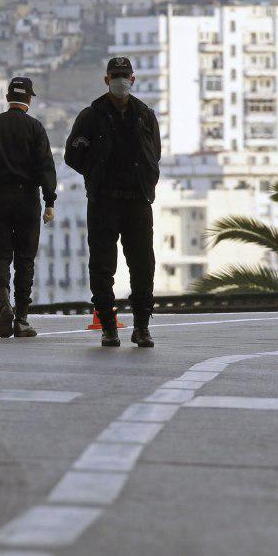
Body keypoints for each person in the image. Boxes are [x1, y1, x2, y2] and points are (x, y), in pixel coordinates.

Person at [64, 57, 161, 348]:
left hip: (137, 202)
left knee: (143, 265)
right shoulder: (91, 115)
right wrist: (96, 174)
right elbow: (73, 155)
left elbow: (153, 153)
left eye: (125, 76)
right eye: (115, 76)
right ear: (106, 80)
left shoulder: (144, 114)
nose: (120, 81)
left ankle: (142, 327)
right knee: (102, 267)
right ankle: (109, 326)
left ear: (132, 79)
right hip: (104, 201)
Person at [0, 77, 57, 338]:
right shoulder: (36, 128)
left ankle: (3, 302)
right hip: (28, 200)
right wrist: (49, 201)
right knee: (25, 260)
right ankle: (21, 319)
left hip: (1, 199)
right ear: (29, 99)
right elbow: (46, 167)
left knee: (0, 256)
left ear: (8, 97)